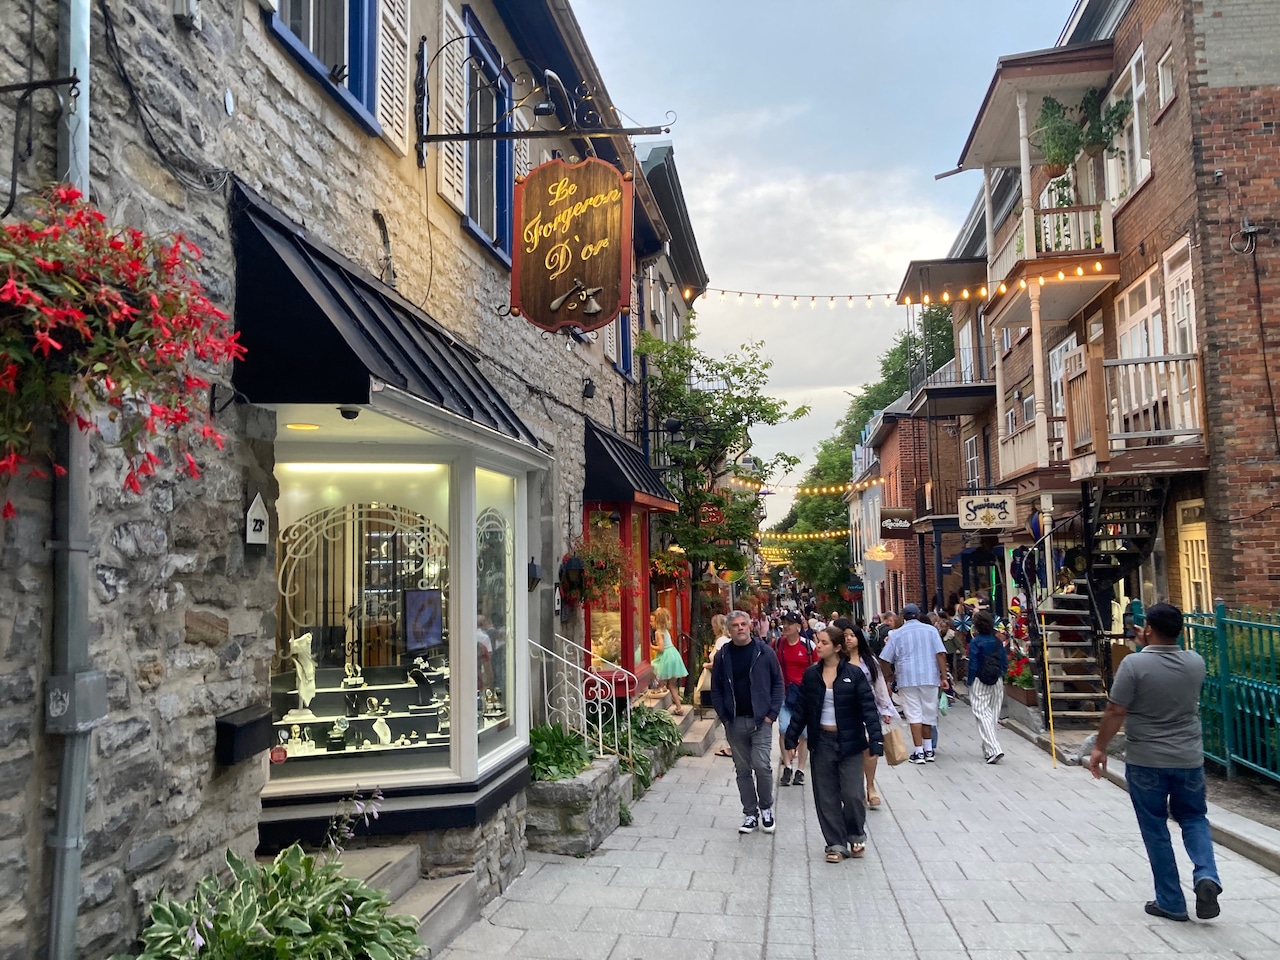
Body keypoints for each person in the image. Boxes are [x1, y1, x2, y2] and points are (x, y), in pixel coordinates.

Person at [1089, 603, 1222, 922]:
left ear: (1148, 628)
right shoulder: (1195, 662)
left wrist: (1099, 748)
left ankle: (1171, 901)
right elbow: (1164, 672)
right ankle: (1206, 874)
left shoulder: (1133, 664)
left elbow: (1116, 710)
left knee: (1155, 827)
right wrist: (1145, 646)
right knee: (1194, 817)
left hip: (1146, 759)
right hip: (1188, 757)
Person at [783, 626, 884, 862]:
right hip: (822, 741)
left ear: (838, 647)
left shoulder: (854, 674)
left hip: (850, 741)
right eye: (818, 641)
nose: (818, 646)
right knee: (826, 795)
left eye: (824, 643)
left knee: (852, 793)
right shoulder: (812, 674)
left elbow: (869, 709)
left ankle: (856, 834)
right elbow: (802, 708)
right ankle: (836, 843)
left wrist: (876, 739)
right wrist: (792, 736)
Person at [711, 609, 784, 835]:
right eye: (735, 625)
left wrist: (771, 715)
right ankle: (750, 813)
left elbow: (778, 683)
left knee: (762, 766)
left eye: (743, 624)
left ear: (750, 626)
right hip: (734, 721)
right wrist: (724, 717)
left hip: (760, 721)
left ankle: (766, 808)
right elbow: (716, 688)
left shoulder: (764, 652)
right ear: (729, 629)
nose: (740, 628)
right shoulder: (723, 656)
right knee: (743, 770)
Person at [834, 618, 895, 808]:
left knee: (870, 748)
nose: (849, 639)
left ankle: (870, 786)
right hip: (845, 711)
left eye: (852, 635)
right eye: (846, 636)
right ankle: (857, 788)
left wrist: (885, 709)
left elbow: (879, 686)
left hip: (868, 710)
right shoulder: (838, 662)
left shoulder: (869, 661)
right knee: (853, 750)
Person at [878, 603, 947, 764]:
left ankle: (919, 751)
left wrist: (888, 675)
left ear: (903, 617)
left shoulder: (897, 634)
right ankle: (929, 749)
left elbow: (885, 658)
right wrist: (943, 676)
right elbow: (940, 654)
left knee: (914, 714)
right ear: (918, 615)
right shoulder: (931, 630)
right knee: (928, 713)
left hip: (907, 677)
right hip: (930, 676)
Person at [774, 610, 816, 786]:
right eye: (784, 623)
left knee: (804, 733)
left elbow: (816, 667)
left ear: (798, 627)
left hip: (803, 695)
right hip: (784, 693)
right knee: (784, 729)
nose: (786, 626)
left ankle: (800, 770)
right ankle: (788, 766)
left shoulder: (808, 646)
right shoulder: (778, 644)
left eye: (790, 623)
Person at [966, 609, 1007, 763]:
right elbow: (1004, 661)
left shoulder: (975, 642)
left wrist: (970, 681)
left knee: (982, 714)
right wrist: (1001, 673)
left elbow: (973, 664)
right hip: (997, 679)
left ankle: (995, 749)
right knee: (993, 715)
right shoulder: (997, 641)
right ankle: (988, 749)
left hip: (980, 680)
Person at [650, 608, 687, 714]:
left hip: (666, 656)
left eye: (652, 621)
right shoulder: (665, 631)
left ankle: (660, 686)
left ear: (657, 621)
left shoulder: (658, 633)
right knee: (672, 685)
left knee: (651, 667)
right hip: (673, 654)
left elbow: (661, 648)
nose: (650, 623)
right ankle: (678, 705)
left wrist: (651, 646)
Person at [706, 614, 733, 758]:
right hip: (726, 680)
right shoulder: (728, 639)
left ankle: (732, 746)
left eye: (713, 625)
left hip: (721, 681)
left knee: (724, 712)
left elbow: (718, 661)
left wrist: (707, 665)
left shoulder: (721, 641)